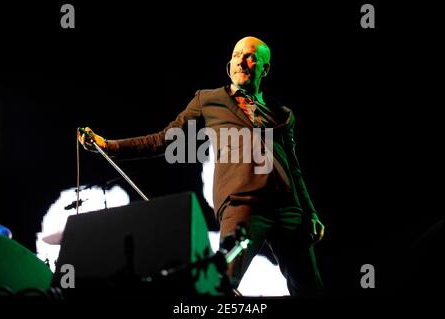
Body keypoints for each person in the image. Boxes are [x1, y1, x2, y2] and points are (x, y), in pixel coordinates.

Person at [78, 36, 325, 297]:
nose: (241, 60)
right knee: (219, 284)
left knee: (310, 288)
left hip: (288, 208)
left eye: (250, 56)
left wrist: (309, 212)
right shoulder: (209, 99)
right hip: (243, 203)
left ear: (265, 69)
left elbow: (294, 168)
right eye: (236, 54)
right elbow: (165, 139)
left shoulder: (283, 114)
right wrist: (108, 145)